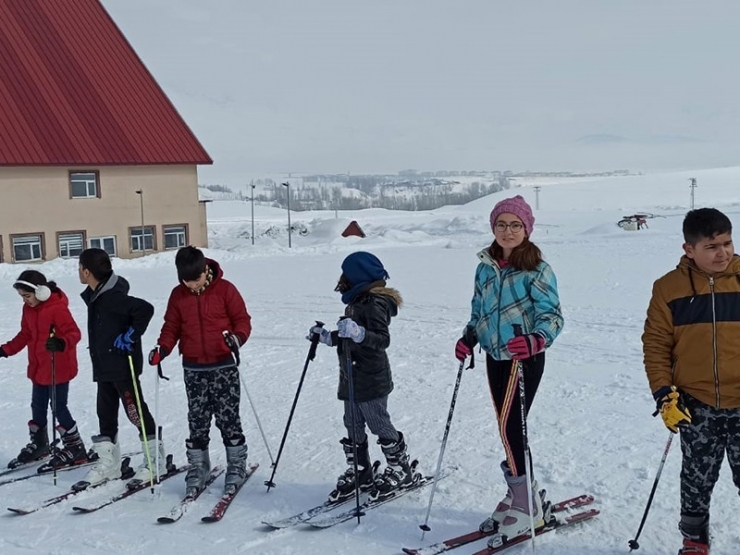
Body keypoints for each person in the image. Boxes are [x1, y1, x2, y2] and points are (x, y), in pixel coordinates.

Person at [455, 195, 563, 543]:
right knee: (506, 429)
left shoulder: (537, 269)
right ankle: (521, 492)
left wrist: (536, 339)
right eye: (501, 224)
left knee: (511, 428)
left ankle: (525, 503)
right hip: (494, 356)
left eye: (515, 225)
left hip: (523, 357)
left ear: (526, 229)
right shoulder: (485, 266)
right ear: (493, 228)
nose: (508, 231)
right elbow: (478, 310)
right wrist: (469, 337)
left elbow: (553, 315)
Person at [643, 207, 740, 555]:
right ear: (689, 249)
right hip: (696, 405)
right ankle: (695, 541)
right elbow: (656, 346)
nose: (723, 253)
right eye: (712, 246)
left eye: (728, 243)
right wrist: (663, 394)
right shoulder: (668, 289)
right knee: (696, 480)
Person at [308, 251, 419, 502]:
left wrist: (359, 333)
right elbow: (349, 334)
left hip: (370, 376)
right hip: (350, 376)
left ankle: (400, 467)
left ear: (359, 276)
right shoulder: (357, 301)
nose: (342, 278)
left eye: (347, 274)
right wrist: (328, 337)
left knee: (378, 422)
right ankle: (361, 470)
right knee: (352, 423)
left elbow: (382, 339)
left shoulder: (375, 303)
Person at [149, 246, 252, 496]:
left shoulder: (225, 289)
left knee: (228, 417)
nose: (192, 285)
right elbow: (171, 326)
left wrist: (237, 339)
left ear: (206, 271)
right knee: (197, 418)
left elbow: (242, 321)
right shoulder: (178, 295)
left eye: (196, 280)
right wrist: (163, 348)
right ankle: (199, 465)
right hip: (193, 366)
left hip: (223, 365)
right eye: (186, 281)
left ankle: (236, 464)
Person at [77, 248, 163, 487]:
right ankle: (110, 465)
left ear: (87, 271)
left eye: (79, 268)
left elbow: (145, 309)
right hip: (104, 367)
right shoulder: (96, 295)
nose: (79, 272)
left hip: (122, 367)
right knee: (105, 415)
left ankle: (155, 460)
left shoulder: (111, 297)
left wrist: (131, 335)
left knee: (135, 413)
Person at [0, 270, 87, 470]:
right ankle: (40, 445)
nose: (25, 301)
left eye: (27, 296)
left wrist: (61, 342)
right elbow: (25, 335)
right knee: (37, 406)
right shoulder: (28, 310)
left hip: (59, 368)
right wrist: (5, 350)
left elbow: (75, 333)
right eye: (22, 297)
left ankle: (76, 447)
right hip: (38, 368)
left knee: (58, 407)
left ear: (40, 292)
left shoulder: (57, 308)